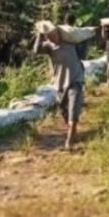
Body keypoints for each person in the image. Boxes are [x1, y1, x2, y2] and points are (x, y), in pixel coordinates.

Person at [33, 17, 85, 150]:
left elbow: (82, 41)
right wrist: (40, 35)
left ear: (58, 32)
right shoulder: (49, 47)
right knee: (64, 111)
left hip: (75, 79)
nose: (52, 38)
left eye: (53, 34)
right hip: (60, 83)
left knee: (73, 110)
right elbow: (36, 50)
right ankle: (73, 131)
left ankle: (69, 142)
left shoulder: (69, 41)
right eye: (48, 36)